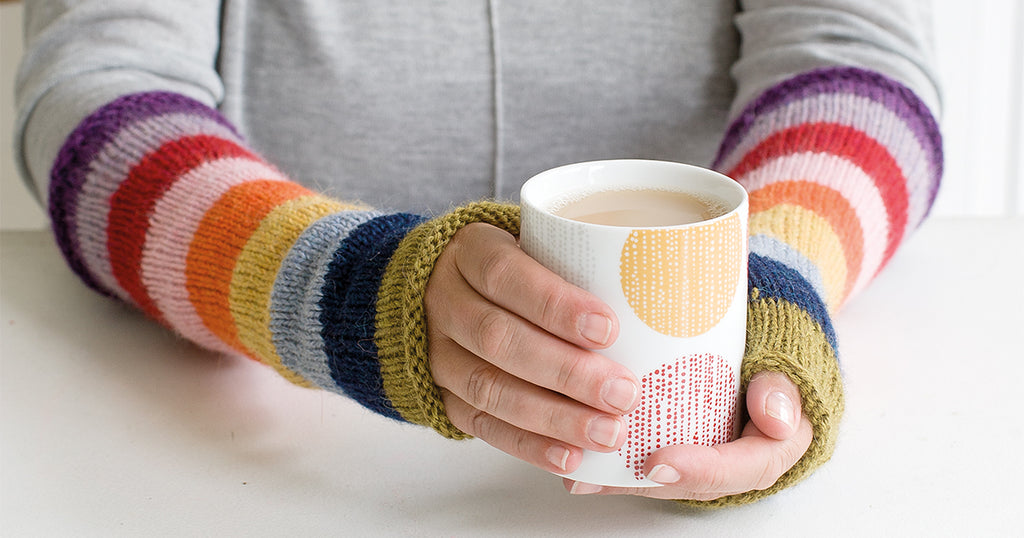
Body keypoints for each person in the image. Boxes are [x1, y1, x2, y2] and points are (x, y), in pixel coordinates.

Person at [13, 1, 942, 507]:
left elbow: (862, 67)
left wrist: (766, 276)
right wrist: (346, 290)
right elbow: (96, 100)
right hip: (268, 483)